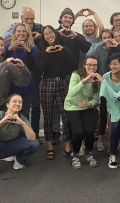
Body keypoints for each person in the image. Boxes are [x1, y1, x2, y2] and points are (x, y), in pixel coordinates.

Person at [36, 25, 78, 160]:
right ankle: (49, 146)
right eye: (46, 34)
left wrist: (65, 51)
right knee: (47, 116)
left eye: (51, 33)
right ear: (43, 37)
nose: (49, 35)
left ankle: (67, 146)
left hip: (61, 83)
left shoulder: (63, 49)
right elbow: (39, 70)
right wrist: (47, 53)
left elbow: (75, 64)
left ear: (55, 34)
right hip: (46, 83)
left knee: (66, 114)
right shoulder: (41, 52)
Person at [52, 7, 91, 145]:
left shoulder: (76, 35)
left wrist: (76, 36)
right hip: (56, 74)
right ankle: (55, 132)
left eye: (70, 18)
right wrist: (57, 35)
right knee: (57, 105)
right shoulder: (55, 33)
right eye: (65, 17)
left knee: (72, 104)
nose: (67, 19)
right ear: (61, 19)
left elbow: (87, 48)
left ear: (72, 20)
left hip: (73, 74)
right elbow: (47, 43)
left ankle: (71, 131)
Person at [64, 56, 100, 169]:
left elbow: (96, 97)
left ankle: (89, 154)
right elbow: (71, 92)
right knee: (79, 132)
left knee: (90, 131)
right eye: (89, 64)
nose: (92, 67)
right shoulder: (76, 75)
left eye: (94, 65)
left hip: (86, 106)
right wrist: (85, 80)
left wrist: (89, 104)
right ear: (84, 65)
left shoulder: (97, 78)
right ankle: (75, 156)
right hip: (72, 106)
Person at [4, 23, 38, 121]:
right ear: (14, 33)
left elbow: (32, 66)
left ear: (27, 33)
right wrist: (10, 49)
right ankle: (11, 134)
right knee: (11, 112)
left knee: (25, 112)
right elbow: (4, 65)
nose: (21, 33)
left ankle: (24, 134)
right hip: (11, 85)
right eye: (18, 31)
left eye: (24, 31)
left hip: (27, 85)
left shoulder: (33, 48)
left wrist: (28, 51)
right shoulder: (7, 47)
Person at [86, 29, 113, 152]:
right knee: (99, 113)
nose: (107, 40)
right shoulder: (98, 48)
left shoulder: (114, 49)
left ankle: (107, 139)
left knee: (110, 115)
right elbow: (89, 55)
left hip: (112, 84)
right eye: (104, 38)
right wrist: (102, 43)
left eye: (109, 37)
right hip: (98, 84)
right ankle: (97, 138)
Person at [0, 94, 39, 169]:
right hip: (1, 145)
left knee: (35, 143)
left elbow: (33, 138)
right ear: (7, 105)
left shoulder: (22, 118)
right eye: (14, 101)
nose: (17, 104)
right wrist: (2, 122)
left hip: (13, 144)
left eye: (20, 102)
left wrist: (22, 124)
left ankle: (19, 161)